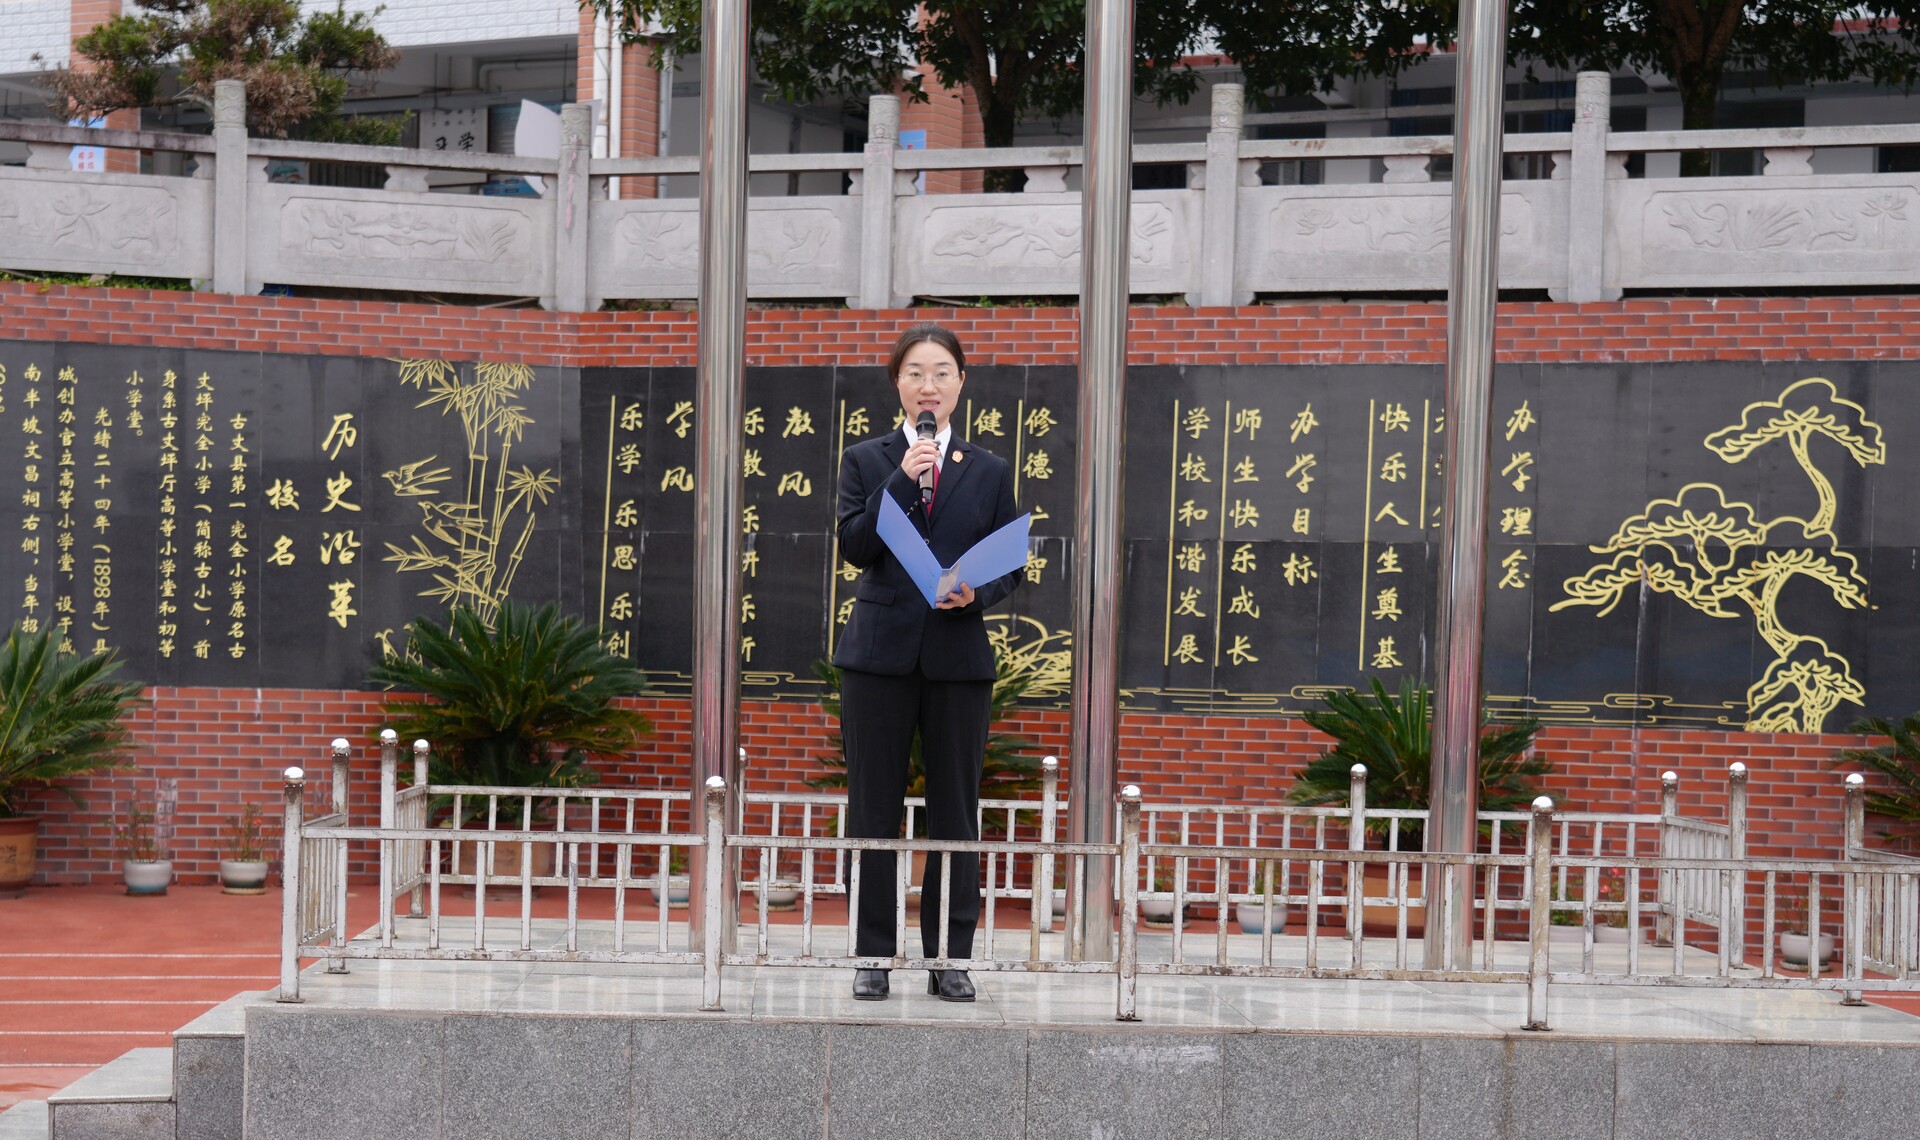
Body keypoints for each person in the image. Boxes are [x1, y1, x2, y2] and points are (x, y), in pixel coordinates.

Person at [832, 323, 1023, 1002]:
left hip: (957, 656)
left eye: (942, 372)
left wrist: (977, 594)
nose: (929, 385)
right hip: (878, 658)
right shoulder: (868, 460)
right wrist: (900, 479)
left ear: (961, 384)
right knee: (872, 805)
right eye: (915, 372)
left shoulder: (989, 469)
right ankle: (872, 954)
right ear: (898, 384)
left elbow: (1011, 563)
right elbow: (855, 546)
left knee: (955, 810)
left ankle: (950, 957)